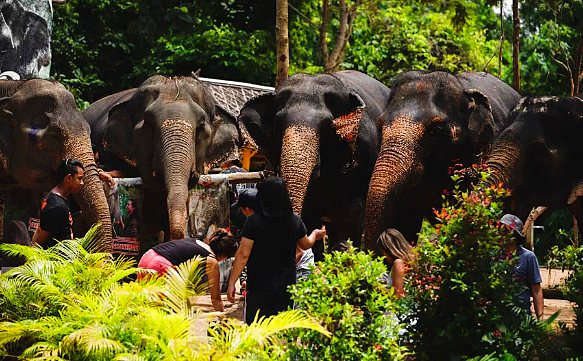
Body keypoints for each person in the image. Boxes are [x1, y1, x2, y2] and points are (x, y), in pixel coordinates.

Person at [226, 177, 326, 324]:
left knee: (256, 325)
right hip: (285, 282)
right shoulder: (294, 220)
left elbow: (242, 255)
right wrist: (315, 235)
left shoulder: (253, 222)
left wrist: (231, 282)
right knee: (282, 324)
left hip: (258, 283)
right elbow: (305, 245)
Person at [138, 229, 239, 312]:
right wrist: (223, 320)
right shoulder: (211, 260)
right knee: (166, 310)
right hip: (161, 267)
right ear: (224, 255)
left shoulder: (197, 242)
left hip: (146, 259)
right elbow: (215, 298)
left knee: (149, 305)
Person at [32, 159, 84, 248]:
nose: (82, 183)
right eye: (79, 178)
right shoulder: (56, 206)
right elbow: (41, 234)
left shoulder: (57, 196)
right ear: (68, 178)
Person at [500, 214, 544, 320]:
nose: (500, 234)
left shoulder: (528, 257)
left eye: (505, 231)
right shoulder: (493, 255)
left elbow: (536, 289)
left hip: (521, 316)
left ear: (515, 235)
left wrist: (541, 319)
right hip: (498, 316)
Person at [377, 228, 414, 298]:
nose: (384, 256)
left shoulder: (398, 263)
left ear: (389, 250)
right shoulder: (412, 260)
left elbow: (398, 294)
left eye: (383, 252)